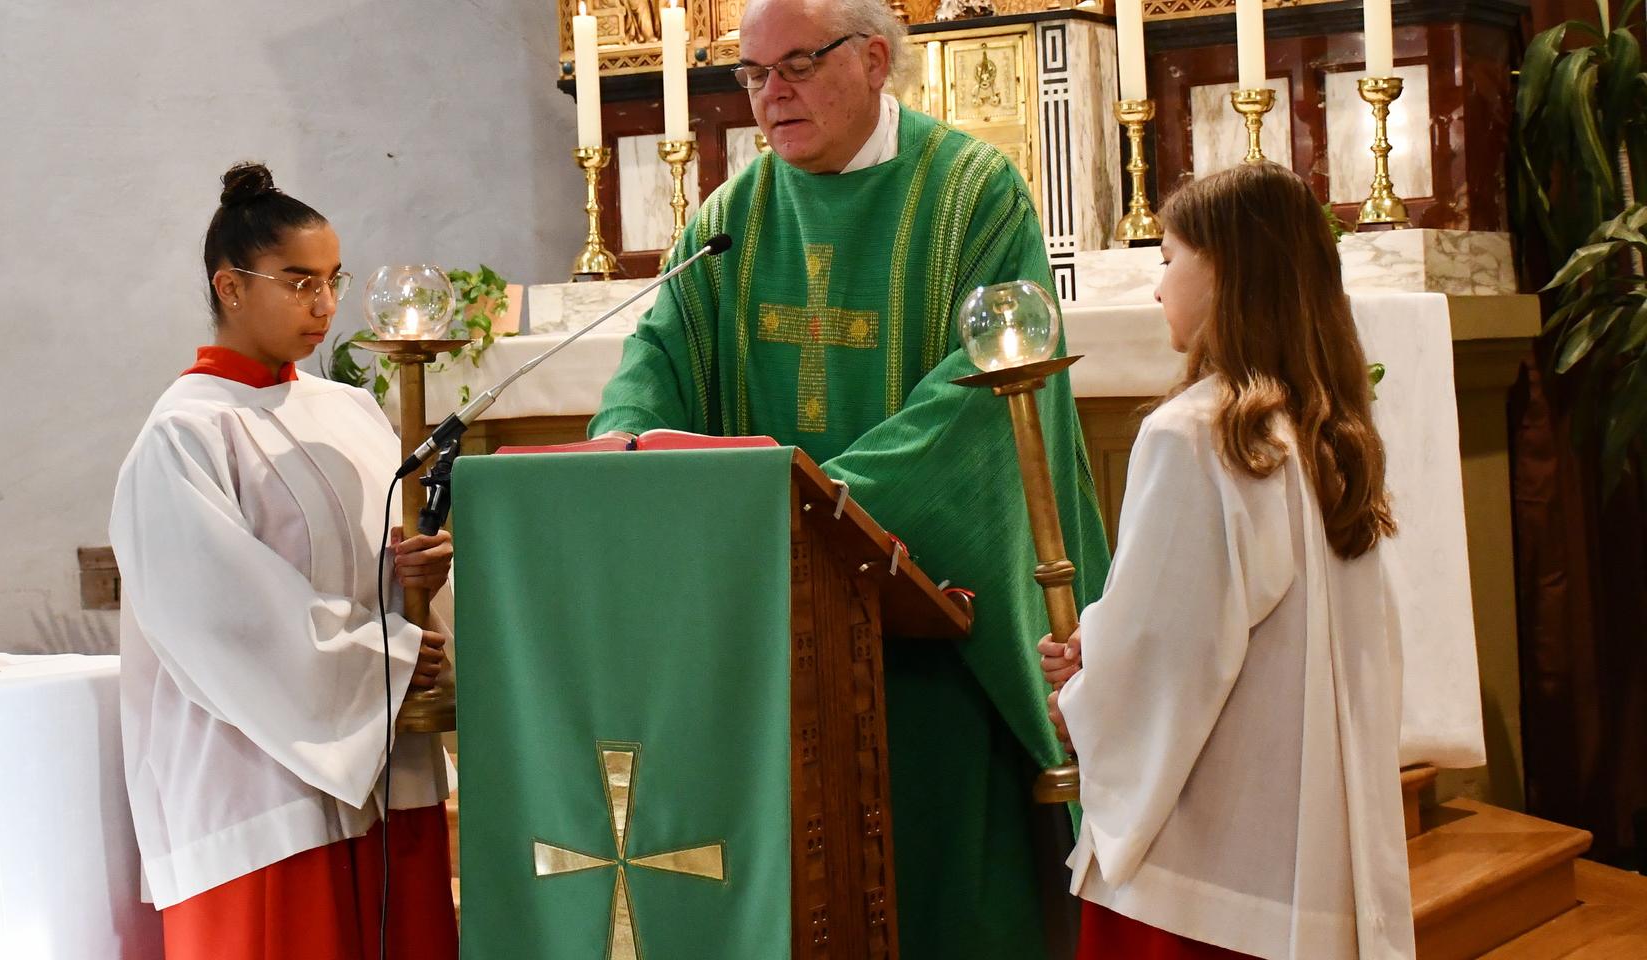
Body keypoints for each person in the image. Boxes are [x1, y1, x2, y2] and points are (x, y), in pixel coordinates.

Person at [589, 0, 1110, 952]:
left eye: (795, 64)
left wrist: (809, 508)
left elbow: (984, 392)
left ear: (874, 60)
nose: (768, 94)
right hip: (776, 622)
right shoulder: (729, 220)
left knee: (944, 875)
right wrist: (624, 459)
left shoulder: (972, 194)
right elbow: (653, 361)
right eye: (750, 74)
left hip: (930, 620)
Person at [1044, 162, 1414, 960]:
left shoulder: (1198, 434)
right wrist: (1103, 655)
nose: (1156, 287)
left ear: (1227, 271)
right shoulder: (1322, 429)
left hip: (1200, 875)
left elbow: (1167, 654)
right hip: (1298, 852)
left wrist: (1082, 694)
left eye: (1169, 258)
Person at [110, 162, 458, 960]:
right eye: (300, 282)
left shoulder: (350, 411)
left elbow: (379, 575)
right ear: (230, 288)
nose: (326, 306)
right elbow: (227, 621)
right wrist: (388, 663)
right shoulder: (184, 433)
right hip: (260, 784)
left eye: (334, 281)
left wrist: (420, 579)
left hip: (380, 762)